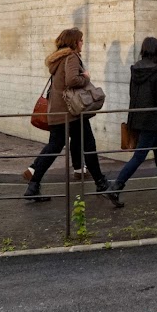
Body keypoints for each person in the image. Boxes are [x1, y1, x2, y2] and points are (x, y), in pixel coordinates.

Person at [24, 28, 111, 202]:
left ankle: (33, 186)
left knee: (55, 147)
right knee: (89, 145)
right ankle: (101, 182)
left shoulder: (58, 59)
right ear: (73, 42)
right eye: (80, 40)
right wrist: (85, 77)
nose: (82, 43)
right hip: (72, 112)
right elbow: (72, 81)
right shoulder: (71, 57)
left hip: (58, 112)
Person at [108, 36, 157, 206]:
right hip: (151, 119)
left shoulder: (136, 69)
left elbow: (132, 95)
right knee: (139, 155)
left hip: (137, 116)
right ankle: (116, 187)